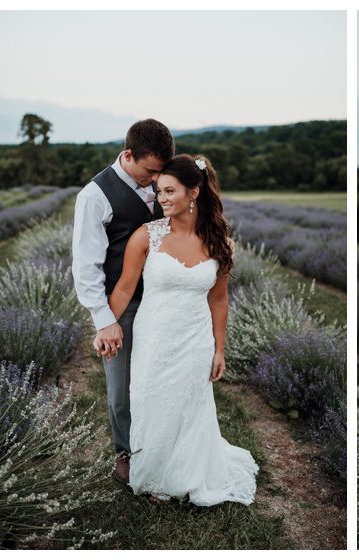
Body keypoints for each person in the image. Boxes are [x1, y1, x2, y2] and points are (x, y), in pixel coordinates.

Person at [107, 154, 258, 506]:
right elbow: (124, 289)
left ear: (194, 192)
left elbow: (218, 300)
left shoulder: (220, 243)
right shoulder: (147, 236)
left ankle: (186, 473)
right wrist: (106, 327)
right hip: (154, 336)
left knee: (188, 407)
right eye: (159, 191)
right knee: (150, 400)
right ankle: (153, 471)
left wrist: (219, 349)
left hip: (195, 339)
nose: (161, 198)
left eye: (169, 191)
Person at [72, 118, 172, 484]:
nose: (155, 180)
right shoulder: (94, 195)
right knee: (121, 389)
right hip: (122, 305)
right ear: (128, 155)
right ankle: (126, 452)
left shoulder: (163, 185)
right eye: (150, 171)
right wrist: (104, 320)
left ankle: (160, 446)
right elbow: (86, 267)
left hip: (164, 302)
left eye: (160, 173)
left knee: (160, 379)